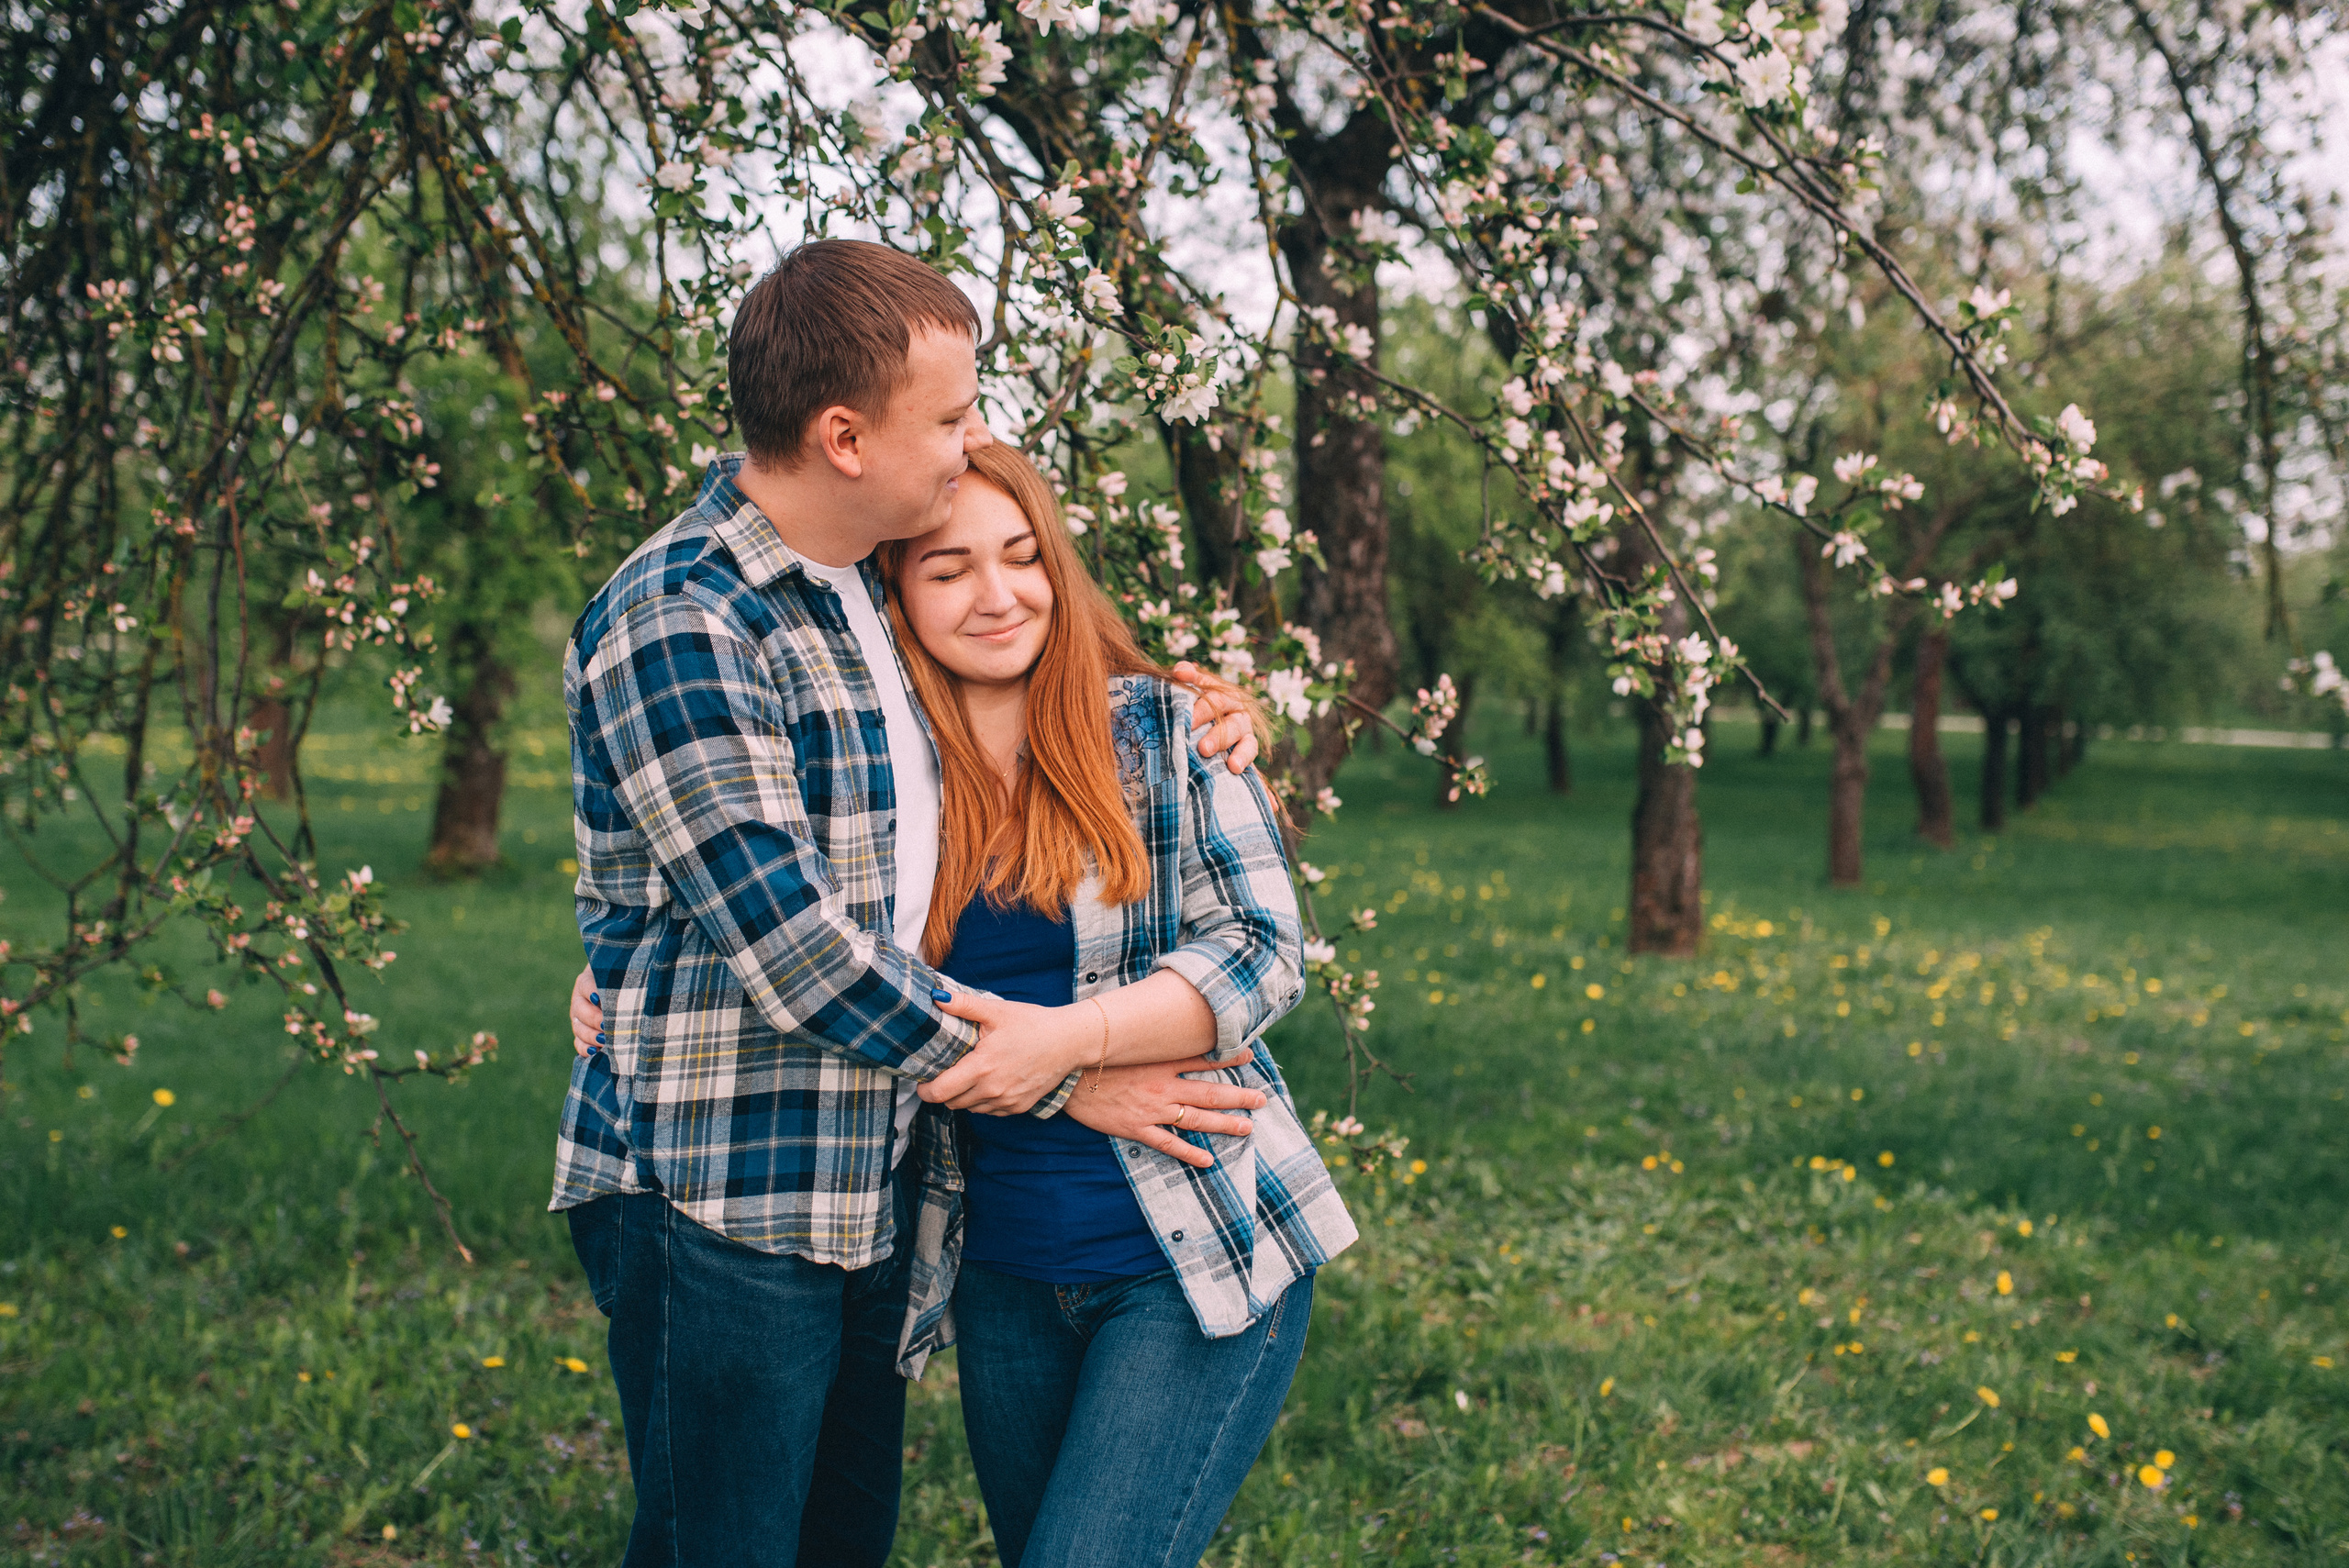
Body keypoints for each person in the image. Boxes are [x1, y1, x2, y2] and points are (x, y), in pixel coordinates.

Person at [549, 239, 1265, 1568]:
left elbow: (1017, 660)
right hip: (719, 1186)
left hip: (858, 1184)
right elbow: (799, 948)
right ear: (844, 434)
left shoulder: (847, 592)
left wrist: (1191, 696)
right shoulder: (685, 616)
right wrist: (1057, 1072)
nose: (971, 435)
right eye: (948, 415)